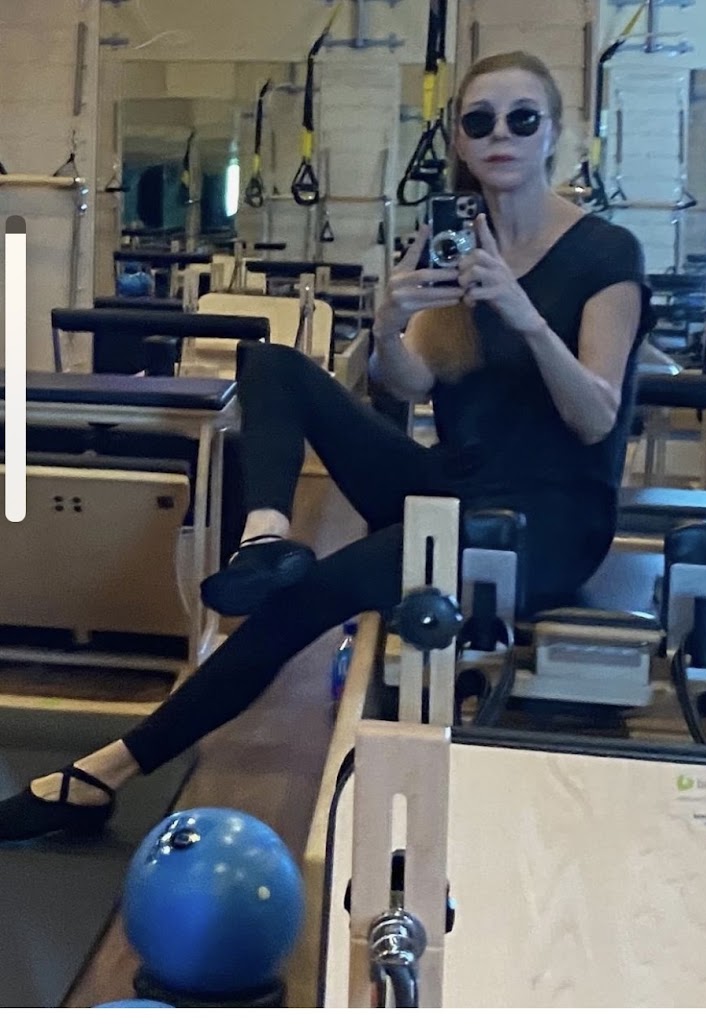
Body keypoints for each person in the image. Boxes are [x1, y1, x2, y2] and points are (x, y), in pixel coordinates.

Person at [0, 50, 653, 843]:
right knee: (269, 362)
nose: (500, 136)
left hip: (543, 522)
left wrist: (524, 316)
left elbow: (595, 416)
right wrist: (387, 322)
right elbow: (408, 382)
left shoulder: (605, 253)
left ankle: (105, 773)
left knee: (311, 597)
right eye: (479, 121)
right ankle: (265, 536)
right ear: (457, 137)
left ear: (553, 133)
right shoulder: (455, 243)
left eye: (522, 119)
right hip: (454, 483)